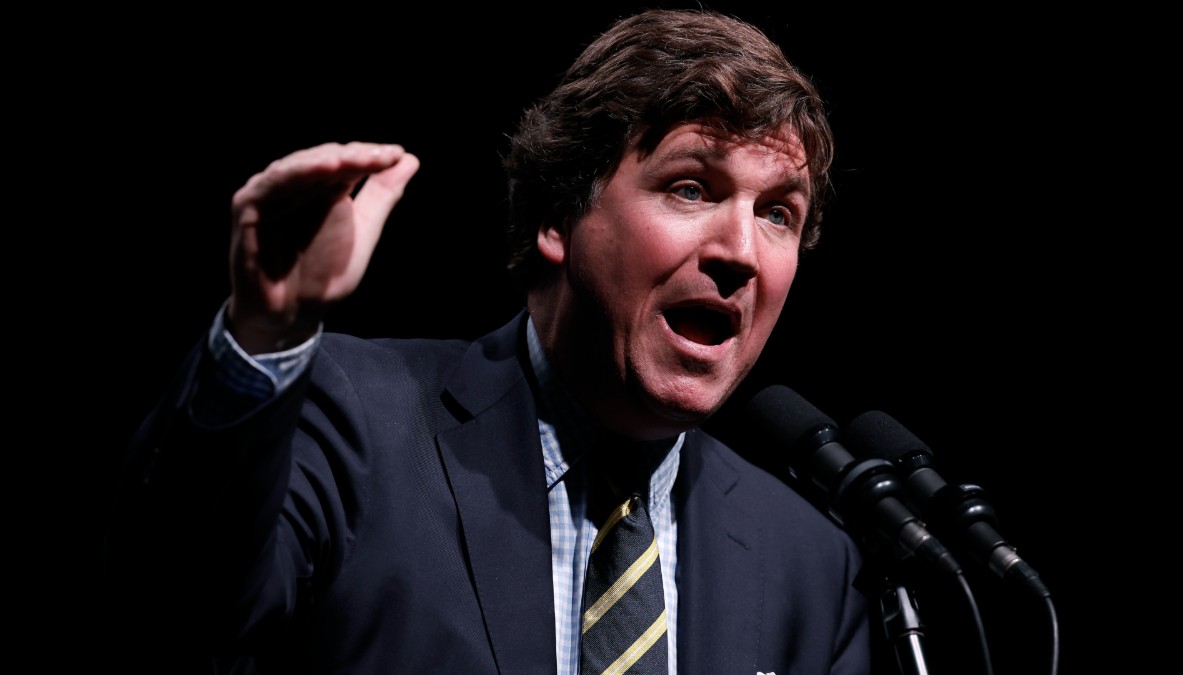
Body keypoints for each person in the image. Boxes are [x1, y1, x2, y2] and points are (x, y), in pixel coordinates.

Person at [102, 8, 878, 674]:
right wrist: (264, 332)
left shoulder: (810, 564)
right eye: (690, 188)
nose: (741, 250)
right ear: (556, 219)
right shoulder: (353, 420)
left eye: (778, 212)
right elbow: (180, 616)